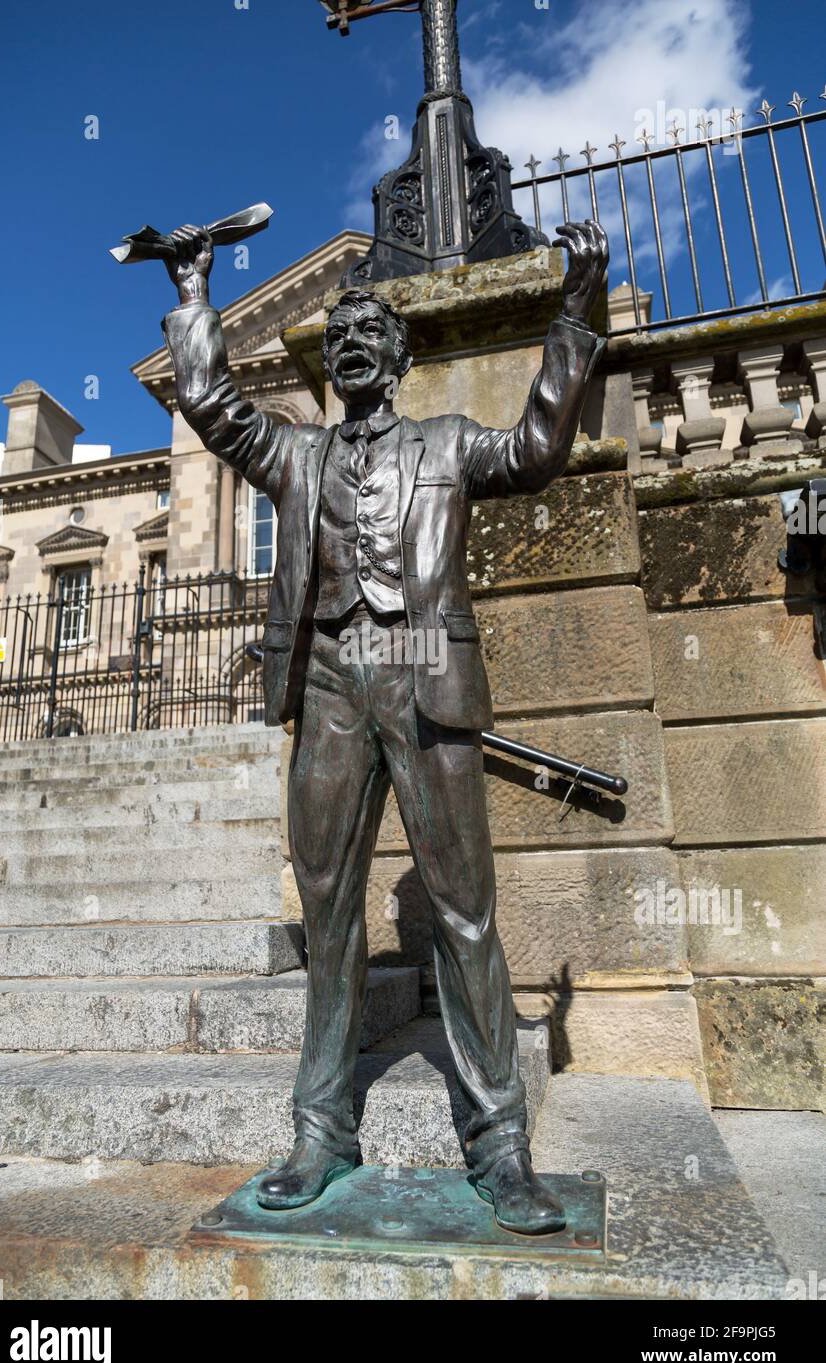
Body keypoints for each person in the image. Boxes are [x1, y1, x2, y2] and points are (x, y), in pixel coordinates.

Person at [162, 218, 608, 1234]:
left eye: (374, 328)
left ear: (401, 358)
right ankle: (320, 1129)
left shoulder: (449, 443)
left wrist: (571, 314)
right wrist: (195, 291)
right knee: (326, 914)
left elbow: (539, 448)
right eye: (343, 330)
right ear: (334, 362)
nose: (357, 338)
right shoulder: (293, 451)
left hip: (423, 674)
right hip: (326, 681)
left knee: (461, 912)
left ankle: (500, 1149)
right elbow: (212, 404)